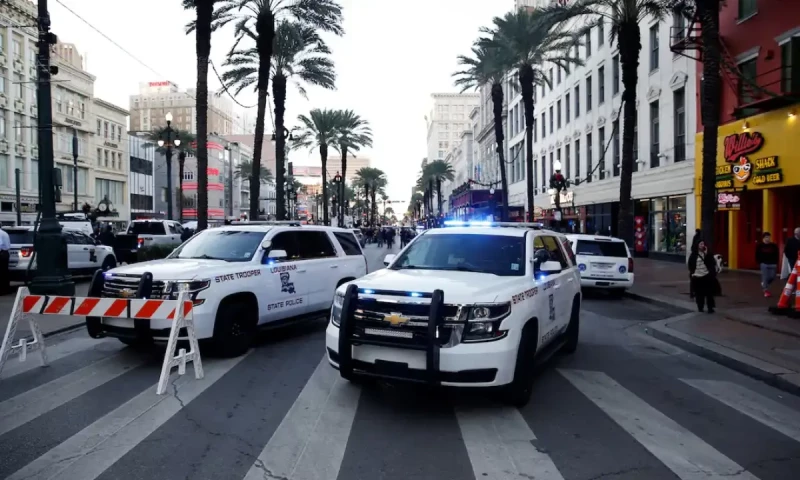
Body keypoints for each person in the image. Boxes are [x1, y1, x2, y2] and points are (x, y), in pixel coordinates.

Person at [688, 240, 718, 313]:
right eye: (701, 244)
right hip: (697, 277)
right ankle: (700, 307)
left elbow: (712, 263)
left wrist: (706, 254)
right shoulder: (694, 255)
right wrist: (693, 273)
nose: (702, 245)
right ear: (697, 245)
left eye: (703, 244)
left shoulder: (707, 254)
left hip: (706, 276)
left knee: (709, 293)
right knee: (699, 293)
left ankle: (710, 308)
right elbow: (690, 264)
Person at [755, 232, 779, 297]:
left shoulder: (773, 246)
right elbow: (757, 254)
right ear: (763, 238)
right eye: (766, 237)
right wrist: (759, 262)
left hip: (773, 263)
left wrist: (776, 262)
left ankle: (764, 284)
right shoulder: (760, 246)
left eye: (768, 237)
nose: (767, 239)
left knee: (772, 277)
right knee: (765, 277)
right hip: (764, 264)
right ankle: (765, 290)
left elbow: (777, 254)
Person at [689, 229, 703, 299]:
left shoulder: (696, 237)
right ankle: (694, 293)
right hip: (695, 270)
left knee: (694, 282)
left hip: (697, 270)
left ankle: (693, 293)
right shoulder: (695, 254)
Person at [0, 227, 10, 294]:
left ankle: (2, 290)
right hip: (5, 253)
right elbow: (8, 245)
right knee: (4, 272)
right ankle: (5, 289)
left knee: (1, 273)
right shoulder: (4, 233)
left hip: (1, 254)